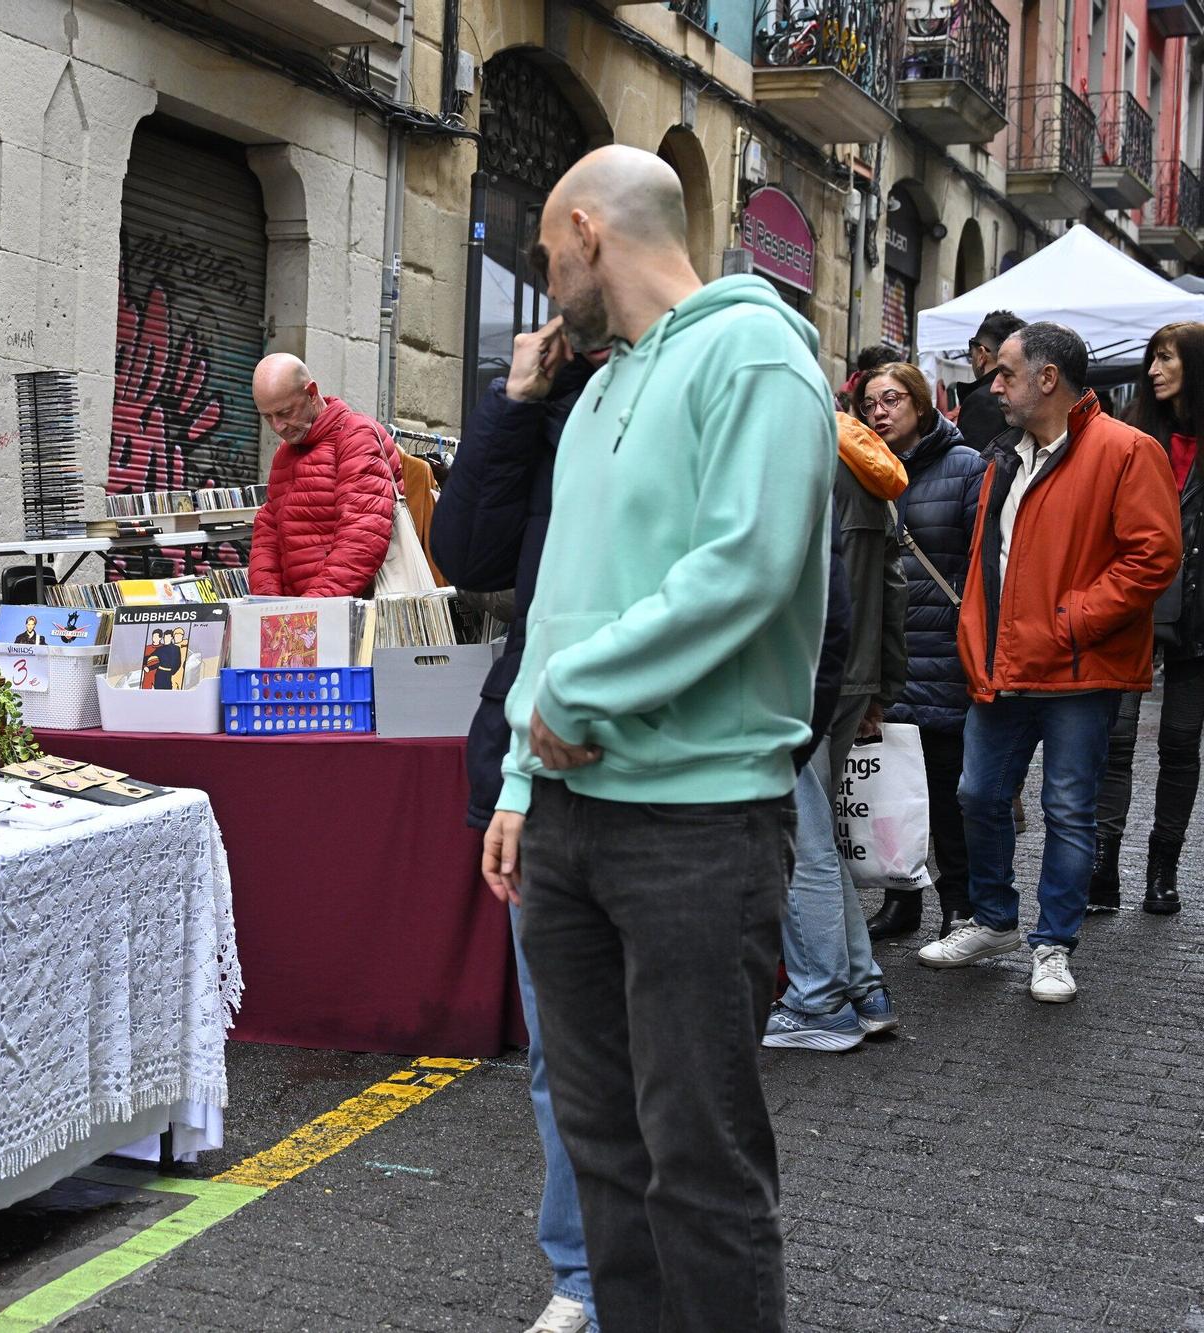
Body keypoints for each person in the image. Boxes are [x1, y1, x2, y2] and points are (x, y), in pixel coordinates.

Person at [480, 146, 832, 1333]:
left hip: (697, 824)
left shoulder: (757, 350)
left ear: (583, 231)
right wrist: (521, 781)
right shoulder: (600, 390)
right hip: (570, 826)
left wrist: (569, 704)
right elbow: (558, 599)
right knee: (604, 1153)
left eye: (542, 253)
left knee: (699, 1162)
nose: (543, 278)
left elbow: (745, 565)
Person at [432, 313, 603, 1333]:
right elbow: (466, 554)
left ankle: (649, 1260)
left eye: (553, 255)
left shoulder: (699, 383)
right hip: (530, 769)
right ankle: (580, 1271)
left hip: (663, 784)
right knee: (559, 1054)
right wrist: (511, 403)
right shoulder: (545, 410)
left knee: (658, 1056)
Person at [923, 323, 1181, 1002]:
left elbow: (1153, 555)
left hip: (1078, 669)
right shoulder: (1006, 454)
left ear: (1047, 378)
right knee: (979, 795)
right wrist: (978, 637)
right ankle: (996, 918)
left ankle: (1054, 943)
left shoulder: (1127, 450)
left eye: (1005, 373)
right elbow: (989, 559)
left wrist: (1071, 623)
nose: (993, 384)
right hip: (1003, 665)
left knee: (1067, 808)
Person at [766, 413, 908, 1052]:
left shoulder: (787, 451)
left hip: (797, 674)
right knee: (815, 834)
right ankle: (861, 988)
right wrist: (880, 685)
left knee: (803, 839)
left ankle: (822, 999)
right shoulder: (860, 463)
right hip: (846, 672)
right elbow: (889, 588)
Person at [858, 362, 986, 940]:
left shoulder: (964, 469)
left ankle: (960, 906)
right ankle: (902, 902)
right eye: (869, 403)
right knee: (893, 792)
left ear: (921, 403)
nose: (878, 412)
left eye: (891, 399)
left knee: (948, 791)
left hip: (945, 655)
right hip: (888, 655)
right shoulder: (862, 472)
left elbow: (986, 564)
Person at [1092, 321, 1204, 915]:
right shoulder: (1132, 432)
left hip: (1198, 619)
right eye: (1152, 358)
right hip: (1132, 609)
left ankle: (1163, 869)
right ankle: (1103, 867)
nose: (1154, 370)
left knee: (1182, 744)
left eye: (1167, 359)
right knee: (1117, 740)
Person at [248, 353, 402, 598]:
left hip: (346, 616)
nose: (278, 426)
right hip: (301, 617)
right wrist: (268, 603)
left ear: (311, 393)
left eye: (285, 412)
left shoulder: (355, 437)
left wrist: (312, 610)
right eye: (268, 417)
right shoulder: (285, 453)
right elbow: (268, 533)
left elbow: (362, 537)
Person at [953, 310, 1024, 450]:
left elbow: (974, 465)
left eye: (971, 351)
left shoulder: (981, 401)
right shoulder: (1025, 393)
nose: (997, 388)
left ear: (981, 355)